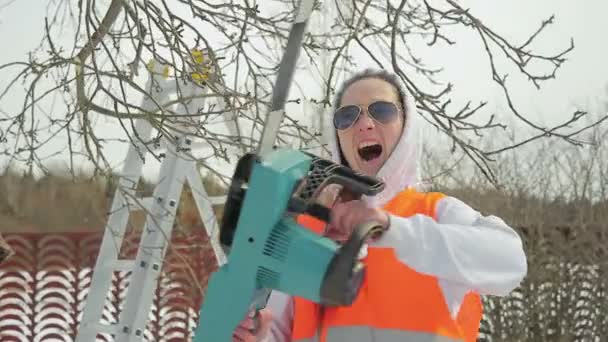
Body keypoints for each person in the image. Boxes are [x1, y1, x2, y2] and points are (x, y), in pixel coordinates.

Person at [232, 69, 528, 342]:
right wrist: (257, 335)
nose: (364, 124)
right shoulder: (306, 232)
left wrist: (390, 230)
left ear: (407, 126)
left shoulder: (435, 214)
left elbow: (510, 261)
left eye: (382, 110)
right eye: (347, 117)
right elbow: (279, 330)